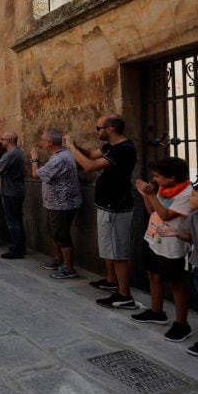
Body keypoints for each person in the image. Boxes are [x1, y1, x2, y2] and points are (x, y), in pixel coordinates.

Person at [65, 114, 137, 309]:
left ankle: (125, 296)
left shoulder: (124, 149)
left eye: (99, 128)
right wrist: (74, 145)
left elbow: (89, 166)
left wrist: (71, 148)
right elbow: (89, 155)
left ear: (110, 129)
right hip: (107, 204)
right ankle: (111, 281)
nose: (96, 131)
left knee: (118, 251)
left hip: (116, 206)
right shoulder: (112, 147)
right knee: (109, 248)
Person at [130, 157, 193, 341]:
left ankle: (182, 324)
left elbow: (165, 215)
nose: (155, 179)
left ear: (172, 177)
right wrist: (145, 195)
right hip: (154, 238)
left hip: (172, 244)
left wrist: (150, 194)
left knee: (176, 283)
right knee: (153, 274)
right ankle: (157, 311)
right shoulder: (165, 188)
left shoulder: (186, 193)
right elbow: (153, 211)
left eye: (158, 176)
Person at [160, 182, 198, 356]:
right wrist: (176, 233)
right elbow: (189, 237)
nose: (190, 197)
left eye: (194, 195)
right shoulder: (193, 217)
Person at [30, 129, 83, 279]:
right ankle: (59, 260)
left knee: (61, 234)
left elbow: (36, 174)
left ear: (50, 143)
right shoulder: (61, 154)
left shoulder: (59, 159)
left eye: (43, 140)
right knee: (54, 232)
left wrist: (34, 159)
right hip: (55, 203)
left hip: (62, 203)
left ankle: (68, 268)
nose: (41, 143)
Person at [0, 131, 27, 259]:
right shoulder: (18, 152)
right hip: (17, 190)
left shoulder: (9, 155)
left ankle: (17, 249)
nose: (1, 141)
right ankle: (20, 247)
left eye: (2, 139)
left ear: (7, 140)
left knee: (13, 221)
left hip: (10, 192)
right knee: (17, 220)